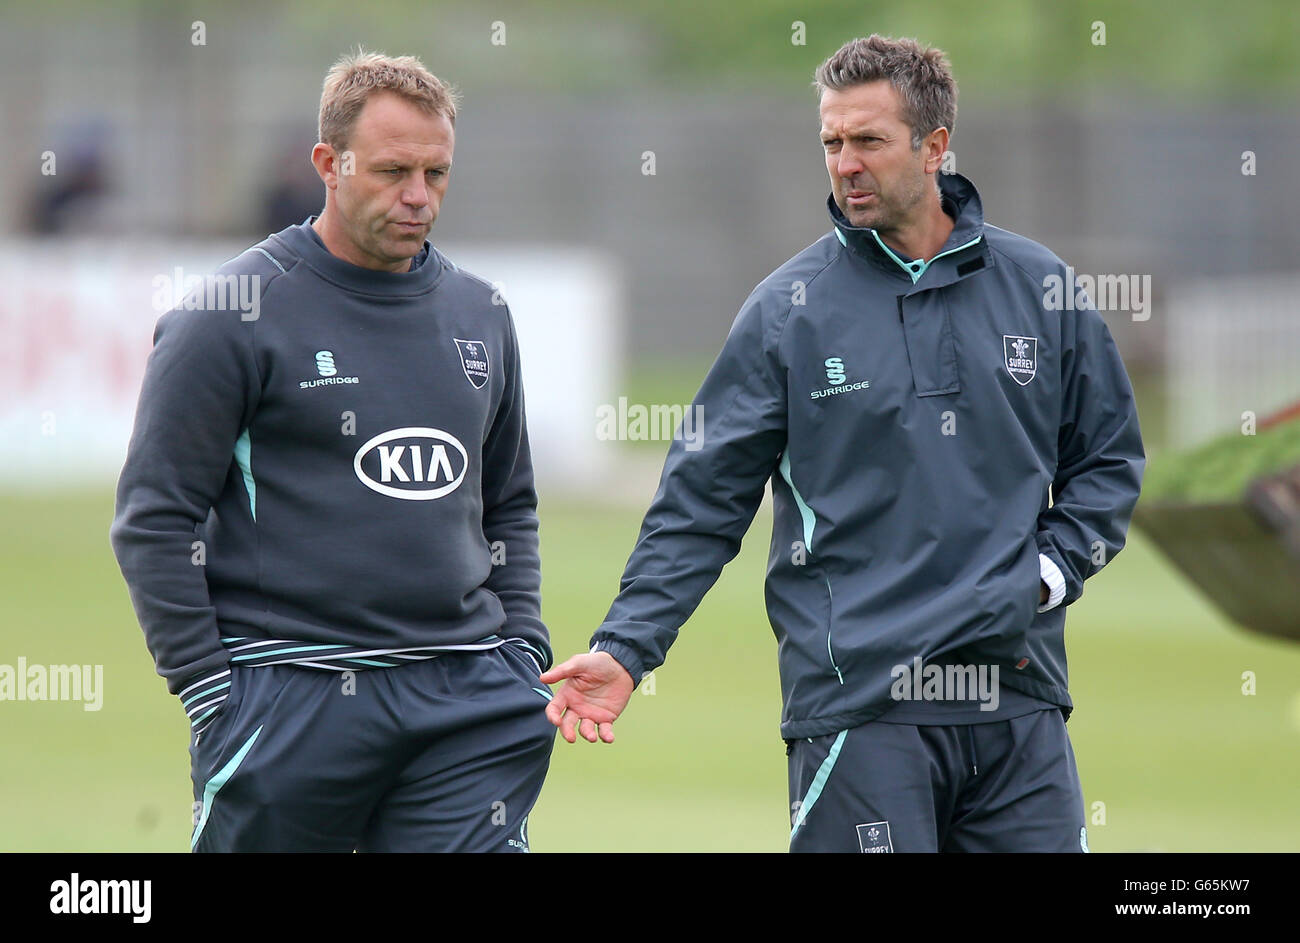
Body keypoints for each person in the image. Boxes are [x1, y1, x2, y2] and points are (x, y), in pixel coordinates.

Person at [541, 35, 1145, 853]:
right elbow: (700, 500)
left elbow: (1107, 463)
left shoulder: (1041, 288)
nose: (845, 163)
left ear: (934, 148)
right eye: (831, 142)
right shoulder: (788, 310)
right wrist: (626, 647)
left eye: (868, 140)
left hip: (1020, 702)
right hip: (861, 711)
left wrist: (1047, 576)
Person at [111, 50, 554, 852]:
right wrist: (212, 693)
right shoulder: (228, 314)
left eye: (436, 173)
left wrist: (521, 648)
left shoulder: (480, 312)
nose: (418, 196)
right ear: (328, 163)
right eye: (392, 171)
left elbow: (509, 503)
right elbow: (153, 519)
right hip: (291, 695)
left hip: (466, 697)